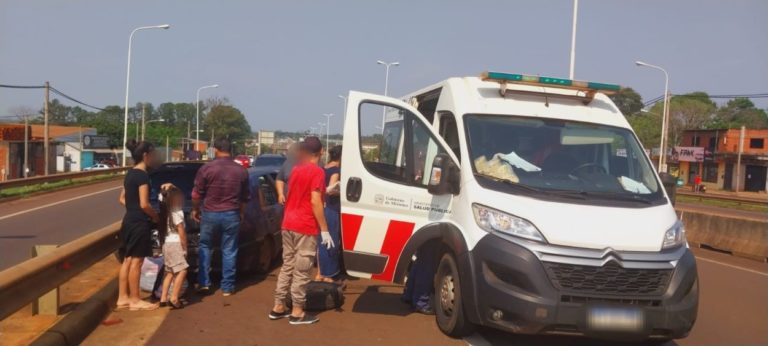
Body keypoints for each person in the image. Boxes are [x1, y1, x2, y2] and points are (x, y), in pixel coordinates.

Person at [269, 137, 333, 325]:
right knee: (302, 270)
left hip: (288, 223)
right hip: (304, 226)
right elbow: (315, 202)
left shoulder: (296, 169)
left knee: (287, 265)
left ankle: (278, 306)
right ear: (321, 152)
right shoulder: (318, 172)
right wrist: (325, 229)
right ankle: (297, 311)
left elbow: (296, 193)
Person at [191, 138, 250, 296]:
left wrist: (195, 209)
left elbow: (196, 194)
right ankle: (228, 287)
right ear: (230, 150)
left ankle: (204, 283)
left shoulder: (206, 169)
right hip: (232, 213)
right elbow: (245, 197)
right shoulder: (241, 171)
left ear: (215, 150)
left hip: (210, 213)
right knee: (229, 250)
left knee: (205, 247)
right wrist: (241, 212)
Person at [116, 140, 160, 311]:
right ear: (145, 155)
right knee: (137, 261)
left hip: (128, 220)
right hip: (139, 222)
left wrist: (132, 207)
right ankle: (135, 299)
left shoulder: (130, 174)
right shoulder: (142, 176)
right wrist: (155, 217)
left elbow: (121, 199)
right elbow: (144, 204)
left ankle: (123, 297)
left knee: (127, 260)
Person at [158, 184, 188, 309]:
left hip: (167, 243)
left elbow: (163, 195)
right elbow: (181, 231)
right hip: (176, 244)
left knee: (169, 271)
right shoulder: (177, 212)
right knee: (182, 270)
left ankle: (163, 298)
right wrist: (185, 247)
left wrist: (171, 187)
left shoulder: (164, 212)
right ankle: (174, 297)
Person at [316, 145, 342, 282]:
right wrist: (342, 191)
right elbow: (330, 190)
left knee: (321, 242)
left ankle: (320, 272)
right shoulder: (336, 171)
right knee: (330, 242)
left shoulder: (323, 168)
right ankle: (328, 275)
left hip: (321, 207)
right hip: (331, 208)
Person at [401, 241, 439, 315]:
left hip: (425, 233)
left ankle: (408, 295)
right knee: (427, 262)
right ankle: (420, 302)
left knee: (422, 259)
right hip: (431, 232)